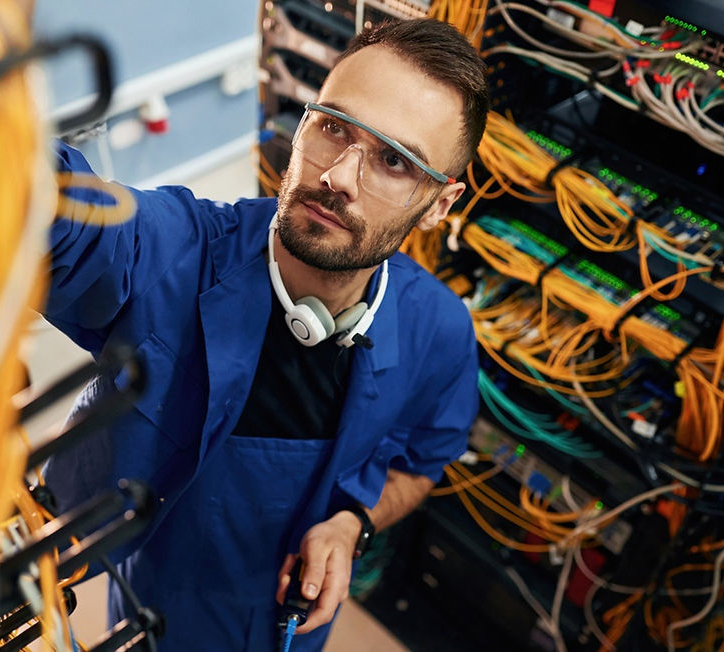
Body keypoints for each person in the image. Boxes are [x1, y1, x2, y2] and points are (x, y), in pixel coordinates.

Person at [43, 17, 488, 651]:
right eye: (333, 127)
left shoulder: (438, 332)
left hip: (293, 626)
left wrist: (351, 524)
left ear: (440, 204)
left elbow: (422, 462)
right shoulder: (180, 253)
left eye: (394, 161)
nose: (337, 177)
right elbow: (66, 221)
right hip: (154, 611)